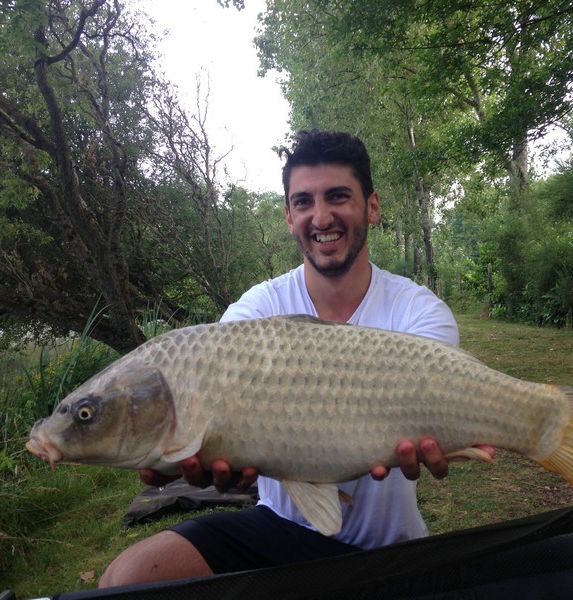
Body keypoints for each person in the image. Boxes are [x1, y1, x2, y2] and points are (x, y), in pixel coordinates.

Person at [99, 130, 494, 587]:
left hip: (391, 549)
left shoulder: (418, 311)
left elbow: (440, 409)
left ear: (372, 206)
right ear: (289, 216)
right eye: (303, 202)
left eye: (338, 196)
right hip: (279, 532)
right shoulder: (254, 313)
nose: (321, 216)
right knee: (124, 578)